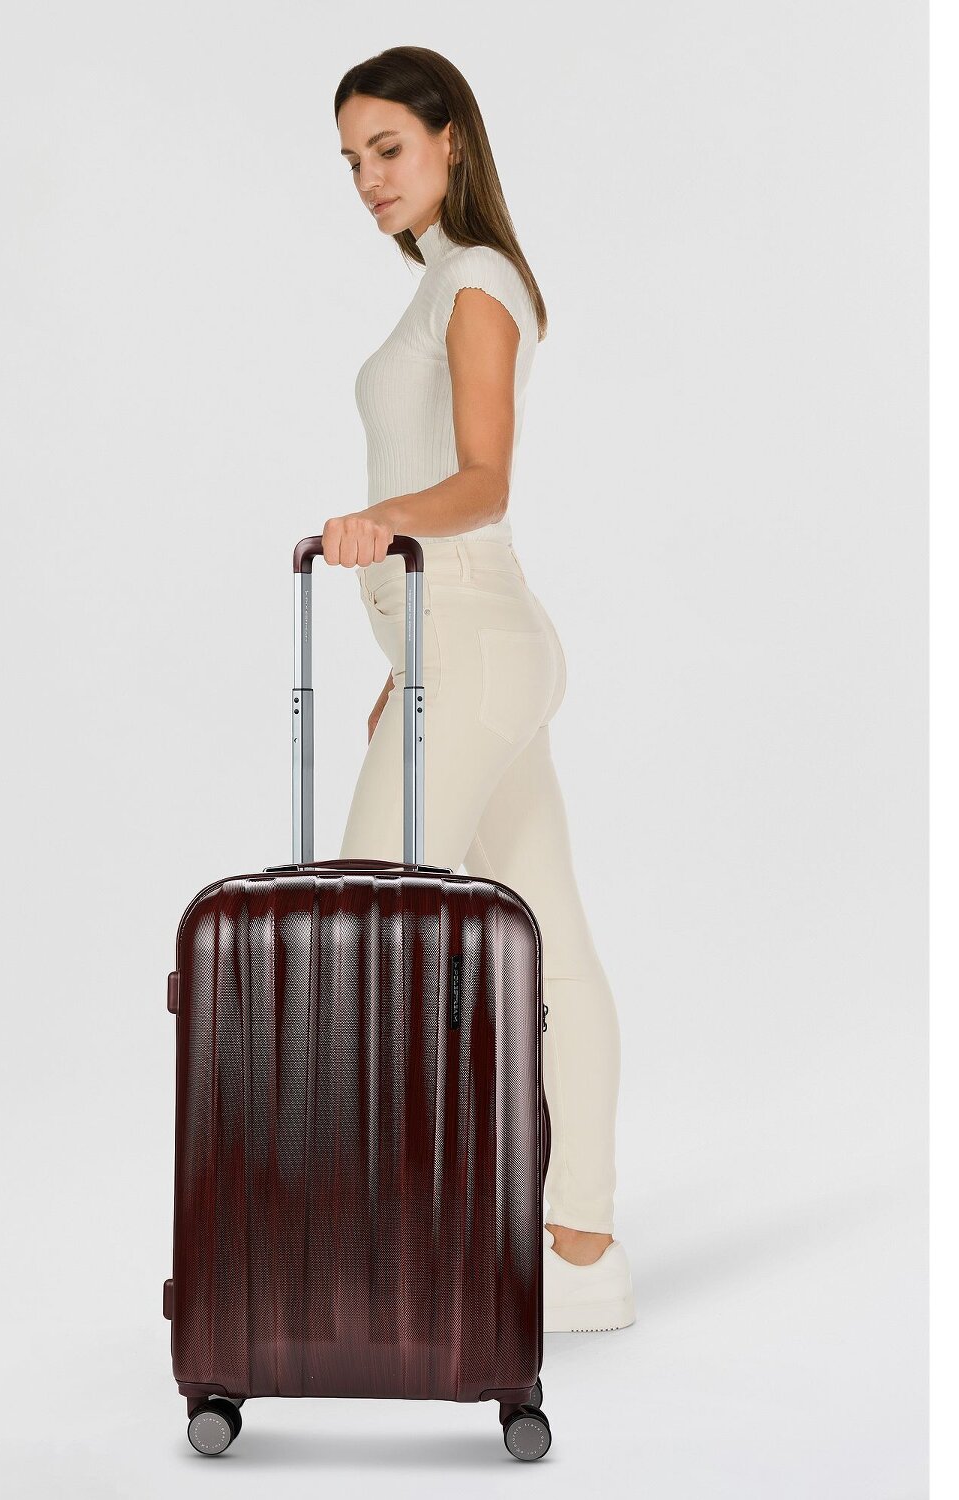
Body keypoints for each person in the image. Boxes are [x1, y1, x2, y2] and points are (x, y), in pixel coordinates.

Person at [325, 47, 635, 1334]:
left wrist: (380, 520)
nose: (368, 178)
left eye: (388, 148)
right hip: (458, 651)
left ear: (452, 137)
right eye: (352, 161)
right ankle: (583, 1257)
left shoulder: (476, 281)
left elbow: (483, 481)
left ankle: (376, 1251)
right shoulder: (442, 282)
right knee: (548, 935)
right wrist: (407, 667)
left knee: (357, 923)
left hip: (478, 637)